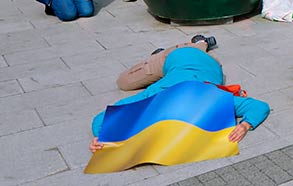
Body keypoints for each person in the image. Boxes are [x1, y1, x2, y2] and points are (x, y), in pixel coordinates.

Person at [90, 38, 270, 152]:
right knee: (124, 83)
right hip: (170, 59)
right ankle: (172, 50)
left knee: (194, 51)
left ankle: (200, 43)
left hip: (207, 62)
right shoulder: (153, 95)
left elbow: (260, 107)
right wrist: (100, 136)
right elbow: (103, 117)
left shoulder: (210, 99)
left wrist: (245, 125)